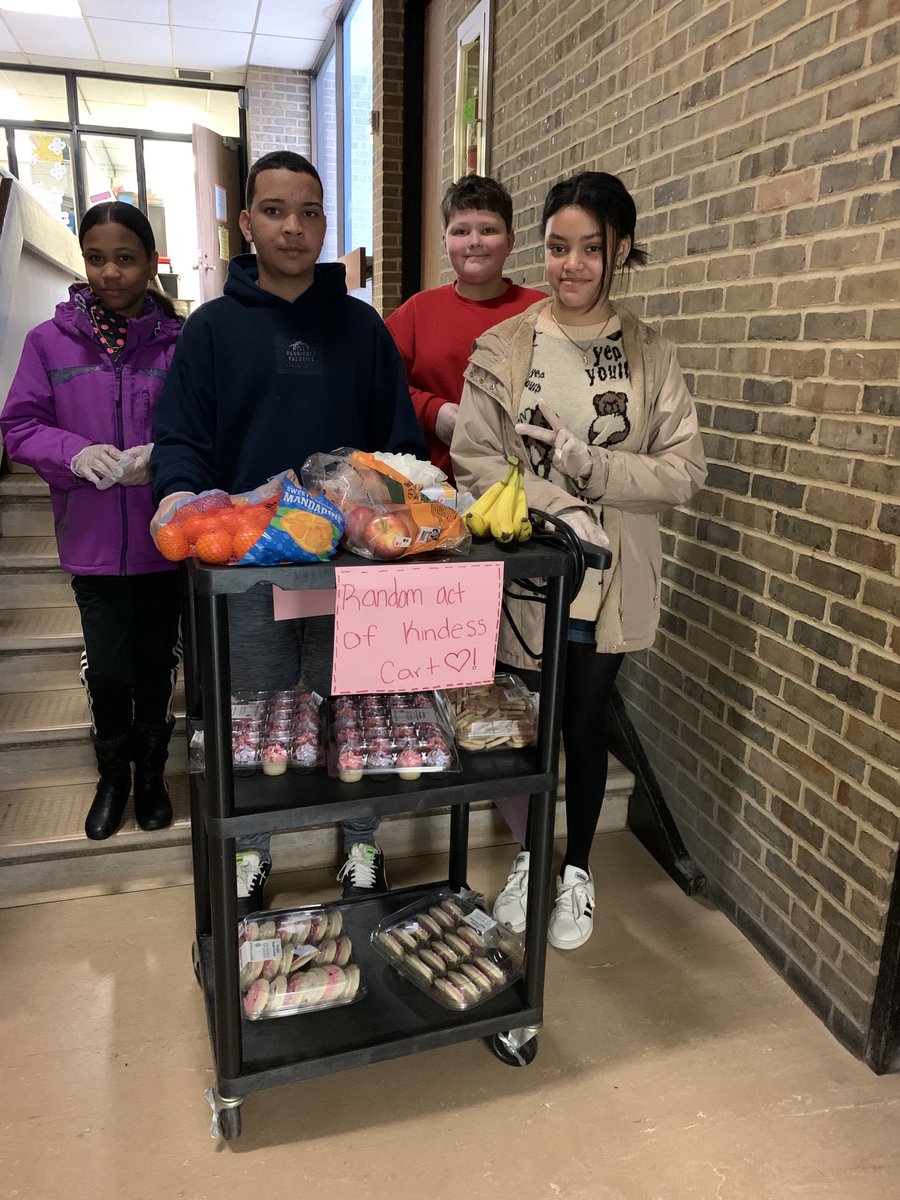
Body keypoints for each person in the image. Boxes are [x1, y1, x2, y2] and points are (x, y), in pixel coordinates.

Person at [150, 150, 426, 912]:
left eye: (309, 213)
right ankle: (251, 852)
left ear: (326, 224)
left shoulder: (361, 329)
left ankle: (361, 845)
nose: (293, 227)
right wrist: (178, 499)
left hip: (349, 567)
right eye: (274, 211)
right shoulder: (210, 330)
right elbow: (180, 438)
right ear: (246, 222)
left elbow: (398, 446)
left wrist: (395, 511)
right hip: (248, 567)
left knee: (357, 703)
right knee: (251, 709)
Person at [451, 170, 707, 950]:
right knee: (531, 720)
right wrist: (555, 504)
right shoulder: (504, 346)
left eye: (590, 249)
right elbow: (476, 460)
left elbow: (682, 472)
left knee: (587, 721)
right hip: (533, 571)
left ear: (620, 251)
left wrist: (593, 469)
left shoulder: (651, 356)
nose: (570, 265)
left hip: (616, 576)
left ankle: (579, 869)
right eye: (558, 247)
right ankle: (531, 856)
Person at [1, 202, 183, 841]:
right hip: (92, 543)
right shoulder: (48, 342)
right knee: (108, 668)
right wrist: (72, 453)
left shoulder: (178, 343)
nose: (111, 272)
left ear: (150, 262)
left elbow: (201, 431)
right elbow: (19, 426)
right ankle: (113, 776)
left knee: (157, 663)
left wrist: (166, 460)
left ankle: (153, 774)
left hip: (166, 540)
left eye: (126, 259)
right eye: (97, 258)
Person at [385, 175, 546, 481]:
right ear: (445, 241)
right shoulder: (416, 313)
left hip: (529, 489)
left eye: (488, 230)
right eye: (461, 231)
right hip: (436, 490)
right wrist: (434, 412)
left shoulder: (541, 311)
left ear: (510, 240)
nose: (475, 241)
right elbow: (382, 387)